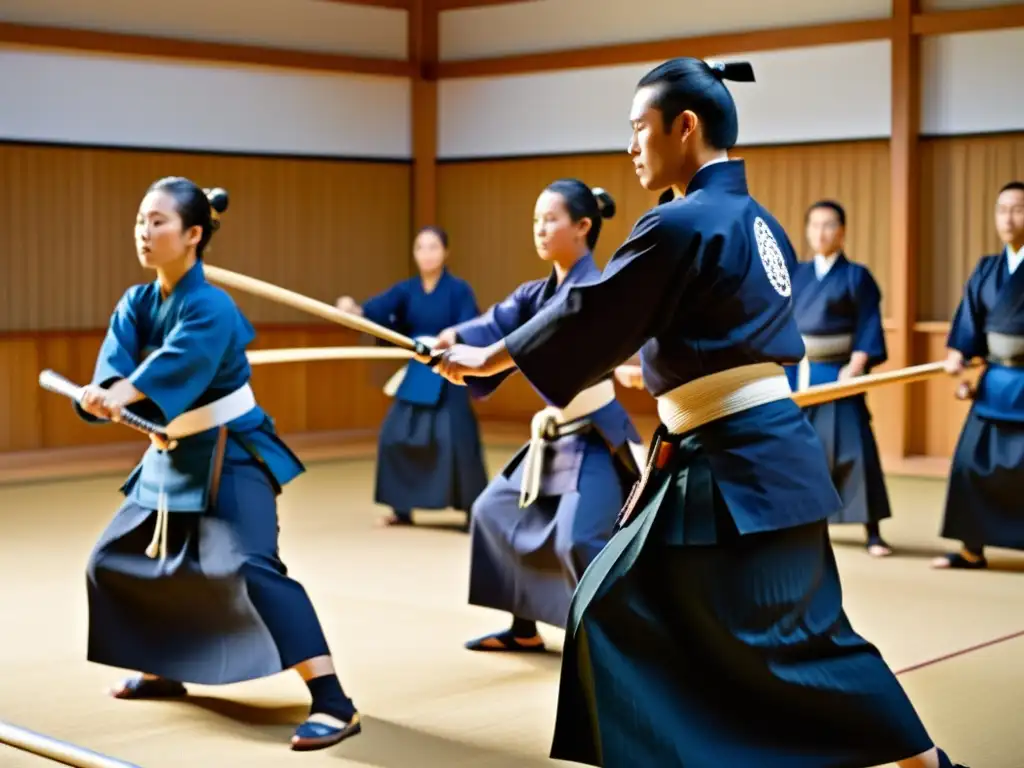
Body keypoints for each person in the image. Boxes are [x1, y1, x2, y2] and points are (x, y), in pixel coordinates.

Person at [427, 59, 967, 768]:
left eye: (639, 130)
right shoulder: (755, 221)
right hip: (738, 453)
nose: (631, 147)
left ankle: (923, 764)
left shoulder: (682, 222)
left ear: (685, 128)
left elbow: (595, 313)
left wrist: (488, 358)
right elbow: (691, 326)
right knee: (651, 611)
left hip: (737, 463)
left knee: (788, 635)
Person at [76, 177, 360, 752]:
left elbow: (183, 361)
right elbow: (117, 362)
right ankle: (163, 667)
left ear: (193, 234)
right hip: (171, 454)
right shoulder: (136, 302)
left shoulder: (212, 306)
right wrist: (104, 392)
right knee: (112, 560)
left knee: (253, 569)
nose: (144, 232)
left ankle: (333, 700)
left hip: (230, 449)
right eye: (140, 220)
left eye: (158, 222)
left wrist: (124, 393)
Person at [433, 180, 643, 653]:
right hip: (553, 434)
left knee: (578, 539)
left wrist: (481, 358)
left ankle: (613, 643)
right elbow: (497, 323)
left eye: (551, 219)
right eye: (536, 221)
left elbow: (537, 342)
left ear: (583, 226)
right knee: (494, 511)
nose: (541, 229)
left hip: (594, 434)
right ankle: (523, 627)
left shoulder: (596, 290)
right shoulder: (537, 292)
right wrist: (450, 338)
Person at [337, 226, 488, 529]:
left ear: (445, 252)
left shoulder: (459, 290)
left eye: (433, 247)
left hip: (449, 372)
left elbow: (471, 325)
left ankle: (473, 512)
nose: (427, 253)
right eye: (421, 247)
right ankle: (402, 509)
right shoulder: (406, 290)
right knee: (395, 434)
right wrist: (352, 309)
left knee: (456, 439)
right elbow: (374, 312)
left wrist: (450, 340)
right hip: (418, 373)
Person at [785, 200, 894, 557]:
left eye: (829, 225)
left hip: (839, 372)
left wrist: (856, 366)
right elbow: (780, 323)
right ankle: (797, 525)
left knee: (854, 447)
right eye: (814, 225)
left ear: (842, 232)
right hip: (800, 373)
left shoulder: (856, 276)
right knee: (799, 451)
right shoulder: (796, 274)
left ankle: (872, 531)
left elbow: (867, 324)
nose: (820, 233)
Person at [934, 180, 1024, 570]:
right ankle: (972, 548)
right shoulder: (987, 268)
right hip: (995, 383)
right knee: (971, 462)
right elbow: (969, 326)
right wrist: (959, 356)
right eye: (1002, 209)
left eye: (1018, 208)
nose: (1008, 217)